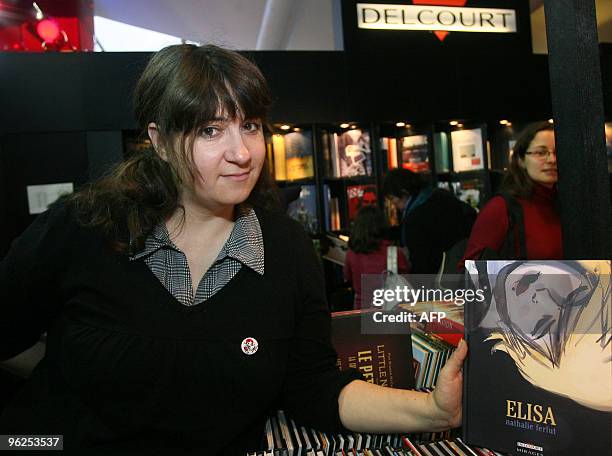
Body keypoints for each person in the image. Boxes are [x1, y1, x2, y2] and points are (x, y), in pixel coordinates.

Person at [0, 44, 466, 454]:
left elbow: (314, 390)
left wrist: (432, 409)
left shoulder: (286, 250)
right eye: (209, 130)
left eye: (250, 126)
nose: (241, 152)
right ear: (159, 140)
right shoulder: (84, 226)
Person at [462, 121, 562, 263]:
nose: (552, 160)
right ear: (521, 160)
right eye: (541, 152)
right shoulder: (501, 208)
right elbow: (471, 270)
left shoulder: (566, 205)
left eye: (557, 152)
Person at [383, 169, 476, 274]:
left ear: (404, 193)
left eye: (392, 199)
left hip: (439, 278)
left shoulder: (415, 218)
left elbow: (421, 264)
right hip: (462, 267)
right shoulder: (440, 196)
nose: (393, 204)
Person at [344, 206, 410, 308]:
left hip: (361, 310)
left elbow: (348, 278)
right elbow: (407, 280)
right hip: (389, 310)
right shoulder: (395, 253)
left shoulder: (351, 254)